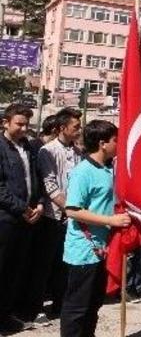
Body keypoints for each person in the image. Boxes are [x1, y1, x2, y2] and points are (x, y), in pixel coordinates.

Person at [60, 120, 131, 337]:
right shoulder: (83, 171)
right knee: (77, 307)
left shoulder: (109, 169)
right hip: (84, 250)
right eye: (115, 140)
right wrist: (111, 221)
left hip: (104, 249)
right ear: (102, 143)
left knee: (94, 305)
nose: (118, 144)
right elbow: (72, 210)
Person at [32, 108, 83, 324]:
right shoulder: (48, 151)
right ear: (62, 128)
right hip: (54, 216)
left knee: (65, 264)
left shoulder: (79, 152)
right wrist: (67, 208)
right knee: (44, 265)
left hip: (73, 216)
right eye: (75, 127)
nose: (79, 131)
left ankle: (61, 304)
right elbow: (50, 185)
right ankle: (33, 307)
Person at [0, 105, 45, 333]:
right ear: (5, 123)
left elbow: (35, 179)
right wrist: (22, 209)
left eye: (27, 124)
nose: (24, 128)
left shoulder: (28, 146)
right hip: (6, 219)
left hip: (26, 219)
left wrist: (38, 203)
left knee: (15, 271)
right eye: (19, 123)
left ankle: (6, 314)